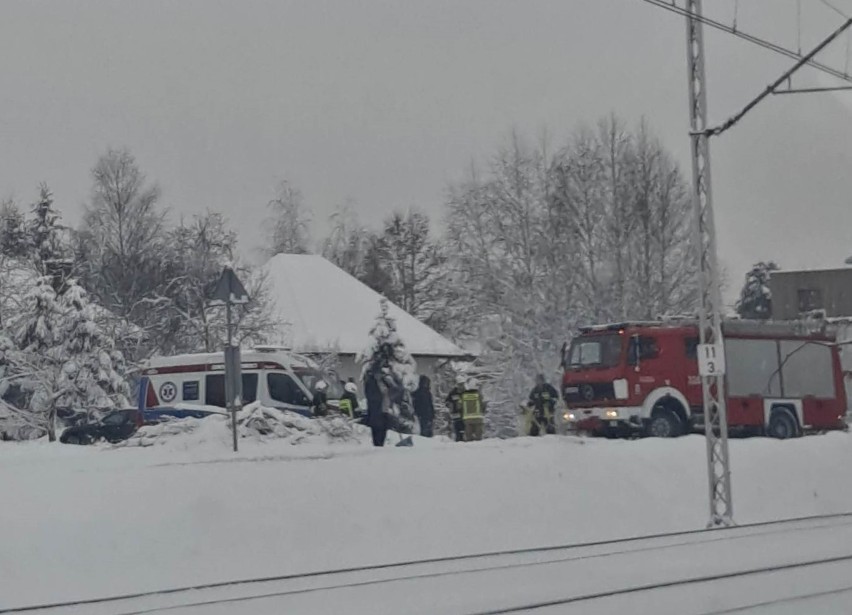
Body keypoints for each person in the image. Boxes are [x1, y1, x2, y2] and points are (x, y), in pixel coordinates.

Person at [364, 368, 388, 447]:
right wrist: (380, 397)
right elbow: (371, 396)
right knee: (377, 427)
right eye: (379, 374)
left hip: (384, 408)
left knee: (383, 427)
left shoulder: (383, 382)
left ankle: (381, 443)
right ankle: (377, 444)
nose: (381, 375)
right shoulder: (371, 383)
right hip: (375, 409)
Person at [445, 374, 467, 442]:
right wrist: (450, 405)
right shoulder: (453, 393)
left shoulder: (466, 393)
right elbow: (447, 402)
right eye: (460, 384)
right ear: (457, 384)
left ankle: (464, 441)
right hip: (455, 413)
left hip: (465, 413)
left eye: (463, 384)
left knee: (464, 428)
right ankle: (458, 441)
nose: (462, 386)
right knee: (457, 428)